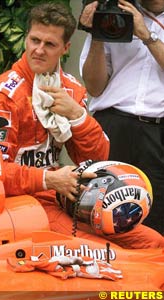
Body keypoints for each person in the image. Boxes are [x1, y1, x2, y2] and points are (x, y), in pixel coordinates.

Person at [0, 2, 164, 248]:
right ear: (26, 39)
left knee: (153, 242)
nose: (39, 50)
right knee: (115, 251)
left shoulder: (70, 88)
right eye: (34, 40)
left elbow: (97, 157)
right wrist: (48, 180)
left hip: (58, 199)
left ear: (65, 48)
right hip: (17, 206)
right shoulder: (2, 97)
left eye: (49, 44)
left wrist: (79, 118)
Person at [79, 0, 164, 234]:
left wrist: (146, 35)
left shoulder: (140, 24)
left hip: (158, 132)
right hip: (112, 125)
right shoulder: (115, 12)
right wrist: (98, 33)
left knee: (156, 220)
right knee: (98, 210)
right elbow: (94, 87)